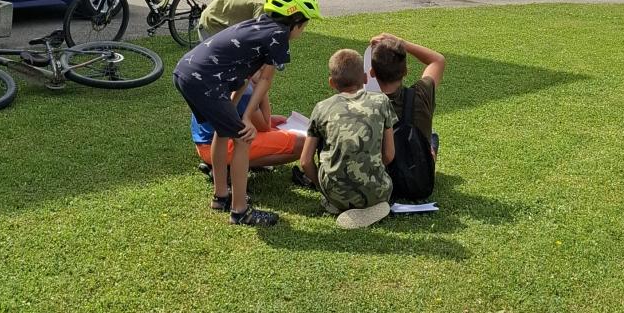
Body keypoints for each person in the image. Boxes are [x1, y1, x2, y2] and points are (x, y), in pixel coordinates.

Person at [173, 0, 321, 226]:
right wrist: (245, 119)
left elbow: (243, 77)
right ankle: (240, 211)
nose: (302, 32)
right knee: (243, 138)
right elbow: (264, 81)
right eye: (304, 26)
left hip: (187, 72)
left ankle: (221, 197)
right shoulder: (278, 35)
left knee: (224, 132)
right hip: (204, 80)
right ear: (296, 23)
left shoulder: (258, 26)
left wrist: (236, 110)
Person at [300, 48, 396, 230]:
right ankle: (373, 205)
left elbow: (305, 161)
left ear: (331, 82)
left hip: (334, 193)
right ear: (365, 78)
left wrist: (322, 187)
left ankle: (336, 204)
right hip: (378, 191)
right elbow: (389, 154)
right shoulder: (381, 102)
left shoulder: (321, 108)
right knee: (382, 187)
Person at [369, 34, 445, 199]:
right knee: (432, 136)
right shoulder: (421, 94)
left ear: (372, 73)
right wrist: (401, 43)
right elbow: (437, 60)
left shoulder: (363, 104)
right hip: (416, 178)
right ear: (405, 71)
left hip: (379, 180)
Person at [190, 67, 304, 170]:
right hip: (219, 149)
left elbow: (242, 117)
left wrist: (270, 119)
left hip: (205, 145)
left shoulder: (227, 71)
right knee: (302, 142)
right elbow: (265, 127)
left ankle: (224, 165)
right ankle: (228, 167)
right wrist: (262, 87)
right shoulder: (245, 89)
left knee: (279, 130)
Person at [198, 0, 316, 39]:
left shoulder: (277, 0)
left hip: (228, 25)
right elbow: (257, 36)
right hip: (214, 24)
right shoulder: (267, 6)